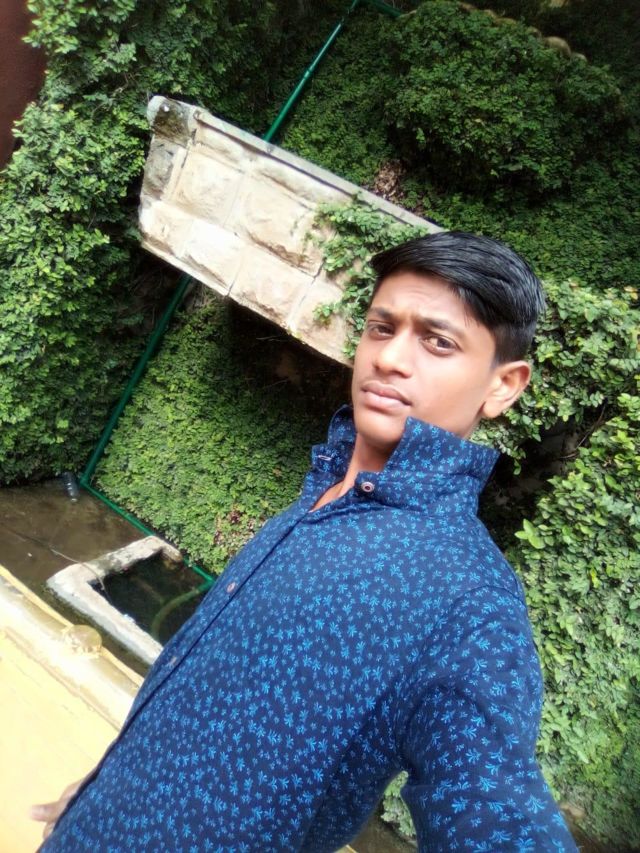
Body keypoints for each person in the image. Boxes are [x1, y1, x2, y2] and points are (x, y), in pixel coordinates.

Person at [32, 231, 578, 851]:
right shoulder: (321, 498)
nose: (390, 358)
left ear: (503, 385)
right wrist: (104, 787)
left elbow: (496, 810)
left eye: (438, 342)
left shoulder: (468, 604)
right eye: (381, 328)